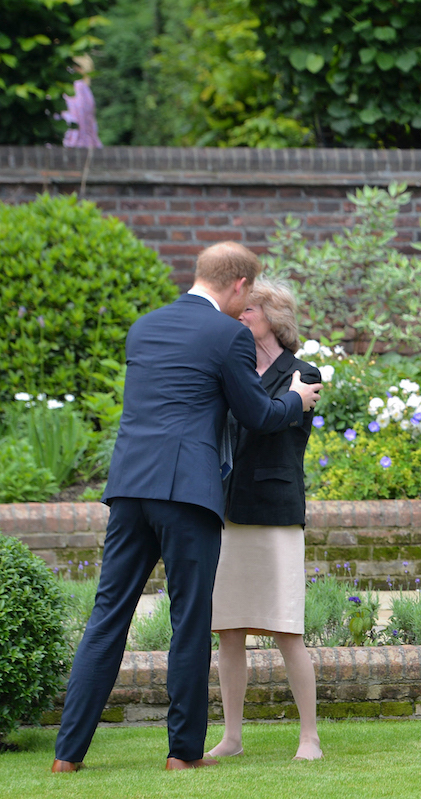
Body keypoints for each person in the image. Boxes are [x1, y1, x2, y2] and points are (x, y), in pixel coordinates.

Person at [52, 242, 322, 773]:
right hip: (189, 494)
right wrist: (297, 401)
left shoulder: (144, 327)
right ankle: (183, 755)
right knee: (191, 622)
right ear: (240, 285)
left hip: (129, 486)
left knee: (107, 617)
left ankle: (67, 755)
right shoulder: (227, 336)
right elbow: (259, 414)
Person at [206, 277, 323, 761]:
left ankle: (309, 737)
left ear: (274, 315)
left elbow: (275, 422)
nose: (238, 315)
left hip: (275, 512)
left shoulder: (305, 372)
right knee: (228, 630)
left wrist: (282, 396)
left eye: (248, 309)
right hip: (227, 512)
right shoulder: (230, 369)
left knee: (286, 629)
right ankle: (231, 737)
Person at [62, 55, 102, 149]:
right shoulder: (82, 88)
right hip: (84, 147)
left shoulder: (76, 87)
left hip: (69, 148)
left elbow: (73, 122)